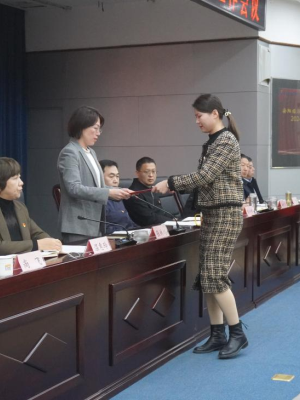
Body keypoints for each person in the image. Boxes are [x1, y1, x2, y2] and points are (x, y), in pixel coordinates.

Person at [153, 94, 247, 359]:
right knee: (207, 276)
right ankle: (217, 334)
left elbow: (206, 176)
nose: (197, 121)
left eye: (199, 115)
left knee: (215, 275)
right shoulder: (213, 141)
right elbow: (206, 180)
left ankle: (237, 333)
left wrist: (171, 183)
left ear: (215, 113)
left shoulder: (225, 140)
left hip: (225, 214)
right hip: (212, 213)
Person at [0, 157, 62, 263]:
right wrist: (37, 244)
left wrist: (51, 242)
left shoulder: (20, 207)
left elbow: (37, 233)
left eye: (19, 177)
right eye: (15, 178)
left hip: (18, 265)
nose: (21, 183)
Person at [57, 106, 131, 243]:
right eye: (95, 128)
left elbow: (98, 186)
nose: (98, 133)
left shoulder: (91, 152)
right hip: (78, 225)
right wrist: (109, 193)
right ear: (82, 126)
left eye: (99, 129)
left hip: (96, 223)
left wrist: (118, 191)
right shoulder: (70, 152)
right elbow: (74, 188)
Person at [124, 157, 172, 227]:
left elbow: (161, 212)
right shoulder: (134, 193)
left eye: (153, 171)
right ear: (137, 173)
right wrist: (171, 221)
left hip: (159, 226)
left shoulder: (152, 189)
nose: (151, 175)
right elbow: (148, 218)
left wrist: (175, 219)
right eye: (146, 172)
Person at [99, 159, 139, 234]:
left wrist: (140, 231)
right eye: (111, 176)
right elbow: (104, 230)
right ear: (99, 177)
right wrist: (128, 233)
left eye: (117, 176)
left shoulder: (118, 197)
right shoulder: (98, 200)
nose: (116, 180)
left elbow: (128, 223)